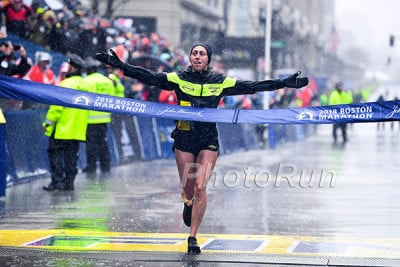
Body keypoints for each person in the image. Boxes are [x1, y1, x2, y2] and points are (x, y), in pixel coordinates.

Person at [95, 43, 308, 254]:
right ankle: (188, 204)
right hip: (184, 138)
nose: (197, 56)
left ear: (208, 60)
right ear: (190, 58)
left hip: (208, 140)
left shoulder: (221, 81)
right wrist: (121, 65)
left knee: (200, 187)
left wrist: (283, 83)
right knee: (189, 189)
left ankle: (193, 236)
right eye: (194, 53)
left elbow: (252, 86)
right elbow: (149, 76)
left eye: (202, 54)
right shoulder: (178, 78)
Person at [42, 54, 89, 192]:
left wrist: (48, 123)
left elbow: (56, 108)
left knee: (56, 155)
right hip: (77, 130)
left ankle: (57, 182)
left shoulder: (65, 84)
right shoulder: (86, 86)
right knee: (71, 158)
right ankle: (69, 184)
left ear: (73, 68)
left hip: (62, 128)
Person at [83, 57, 115, 177]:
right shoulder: (107, 81)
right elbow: (112, 98)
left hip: (90, 118)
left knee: (91, 144)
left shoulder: (86, 81)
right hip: (104, 118)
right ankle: (105, 165)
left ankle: (91, 166)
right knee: (103, 143)